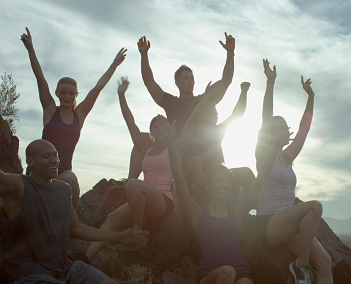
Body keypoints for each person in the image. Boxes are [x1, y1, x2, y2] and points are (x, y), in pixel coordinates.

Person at [85, 77, 223, 261]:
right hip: (141, 198)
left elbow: (191, 122)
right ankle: (85, 257)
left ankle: (137, 231)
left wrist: (205, 99)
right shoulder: (146, 149)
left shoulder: (177, 148)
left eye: (162, 124)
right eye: (154, 126)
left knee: (133, 183)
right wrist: (121, 96)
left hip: (162, 201)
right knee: (112, 217)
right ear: (151, 132)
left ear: (170, 127)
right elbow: (130, 122)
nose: (158, 128)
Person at [0, 139, 147, 283]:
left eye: (55, 155)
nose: (54, 160)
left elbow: (76, 228)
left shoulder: (63, 190)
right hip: (30, 273)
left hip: (67, 268)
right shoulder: (18, 186)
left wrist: (120, 236)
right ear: (30, 162)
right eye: (46, 156)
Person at [21, 27, 126, 208]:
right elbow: (40, 78)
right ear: (57, 94)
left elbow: (97, 88)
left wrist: (114, 65)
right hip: (39, 170)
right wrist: (31, 49)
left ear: (76, 95)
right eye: (63, 93)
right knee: (31, 196)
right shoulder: (49, 110)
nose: (67, 97)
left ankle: (72, 224)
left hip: (62, 171)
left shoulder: (80, 115)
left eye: (71, 93)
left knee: (71, 180)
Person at [251, 60, 333, 284]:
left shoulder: (288, 157)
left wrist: (311, 97)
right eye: (278, 126)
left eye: (284, 126)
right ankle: (302, 267)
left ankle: (304, 268)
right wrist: (270, 82)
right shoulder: (264, 154)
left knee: (326, 264)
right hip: (270, 223)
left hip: (289, 223)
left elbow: (304, 129)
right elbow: (265, 116)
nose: (284, 128)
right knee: (315, 206)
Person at [165, 83, 254, 284]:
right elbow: (182, 172)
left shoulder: (218, 131)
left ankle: (251, 203)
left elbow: (237, 116)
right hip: (202, 183)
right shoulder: (194, 137)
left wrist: (243, 92)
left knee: (247, 173)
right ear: (202, 115)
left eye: (216, 112)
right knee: (197, 169)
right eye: (210, 112)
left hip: (219, 178)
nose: (215, 115)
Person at [131, 33, 235, 191]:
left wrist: (230, 54)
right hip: (178, 153)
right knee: (143, 139)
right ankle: (130, 183)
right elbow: (149, 82)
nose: (190, 81)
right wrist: (144, 55)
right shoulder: (171, 102)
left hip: (203, 153)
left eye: (192, 78)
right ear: (177, 82)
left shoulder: (204, 99)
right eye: (185, 78)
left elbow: (226, 81)